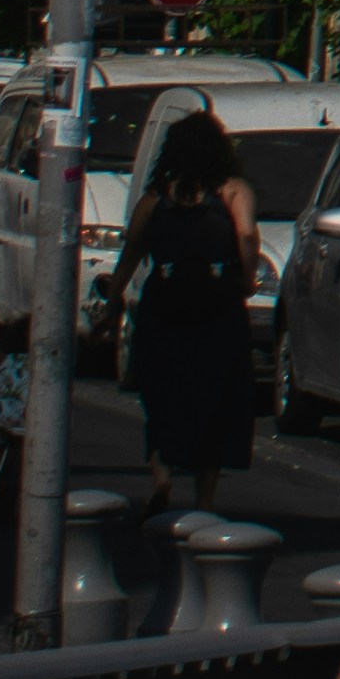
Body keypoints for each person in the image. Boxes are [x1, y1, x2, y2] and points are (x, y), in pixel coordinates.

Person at [118, 117, 262, 516]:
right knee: (216, 403)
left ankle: (162, 478)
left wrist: (112, 297)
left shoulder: (156, 197)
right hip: (218, 306)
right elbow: (246, 234)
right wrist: (247, 278)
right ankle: (204, 502)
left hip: (164, 304)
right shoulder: (233, 190)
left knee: (161, 396)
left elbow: (132, 250)